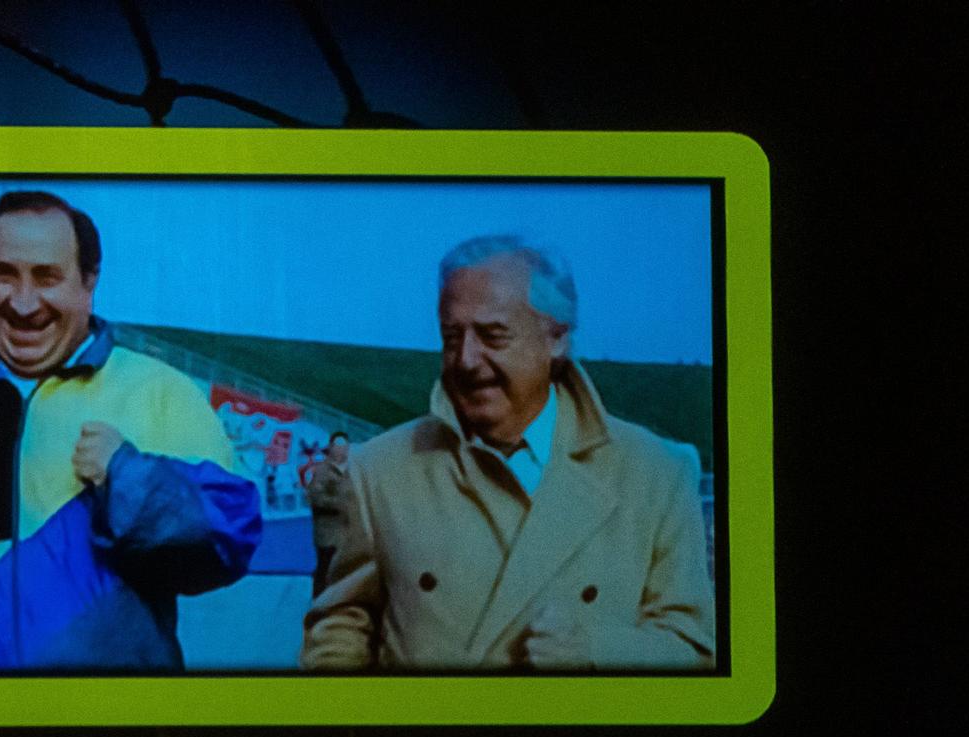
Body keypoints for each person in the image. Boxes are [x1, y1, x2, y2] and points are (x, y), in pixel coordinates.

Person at [0, 189, 261, 671]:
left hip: (108, 716)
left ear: (89, 283)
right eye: (4, 274)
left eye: (46, 277)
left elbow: (229, 539)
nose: (23, 303)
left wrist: (127, 477)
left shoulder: (159, 392)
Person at [300, 235, 715, 671]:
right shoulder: (380, 469)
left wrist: (595, 649)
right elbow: (341, 625)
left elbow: (695, 647)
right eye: (451, 336)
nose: (466, 360)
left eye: (492, 336)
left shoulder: (656, 473)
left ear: (555, 338)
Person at [304, 433, 351, 596]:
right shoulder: (321, 471)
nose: (340, 450)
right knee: (324, 569)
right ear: (330, 448)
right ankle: (319, 604)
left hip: (349, 532)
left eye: (344, 446)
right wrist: (339, 504)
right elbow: (314, 497)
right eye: (337, 446)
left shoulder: (354, 470)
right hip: (327, 532)